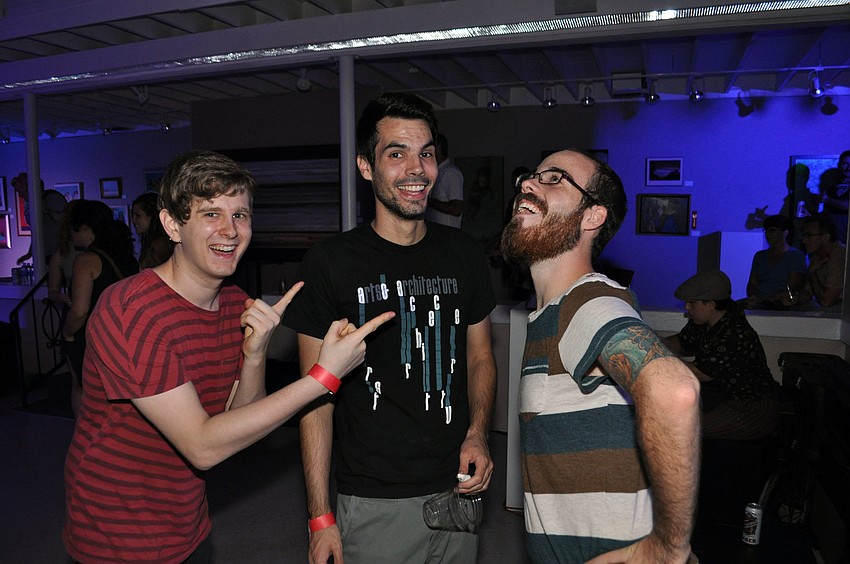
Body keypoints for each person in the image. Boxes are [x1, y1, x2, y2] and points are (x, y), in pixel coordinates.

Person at [63, 150, 394, 563]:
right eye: (211, 214)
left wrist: (254, 355)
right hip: (117, 537)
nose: (230, 230)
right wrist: (321, 377)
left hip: (190, 525)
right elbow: (202, 446)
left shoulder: (235, 303)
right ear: (171, 225)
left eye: (240, 215)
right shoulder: (131, 310)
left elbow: (237, 426)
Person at [283, 93, 497, 564]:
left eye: (426, 153)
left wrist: (479, 432)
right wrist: (320, 517)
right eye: (396, 153)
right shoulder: (329, 264)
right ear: (366, 167)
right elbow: (314, 400)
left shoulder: (465, 255)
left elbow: (480, 355)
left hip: (457, 489)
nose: (416, 168)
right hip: (373, 500)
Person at [500, 149, 700, 563]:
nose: (527, 184)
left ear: (592, 217)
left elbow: (674, 391)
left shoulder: (586, 301)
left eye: (555, 179)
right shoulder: (548, 314)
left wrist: (667, 547)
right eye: (531, 175)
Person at [665, 270, 780, 440]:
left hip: (749, 406)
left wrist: (659, 356)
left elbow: (702, 373)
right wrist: (650, 341)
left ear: (710, 305)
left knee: (678, 429)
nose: (687, 307)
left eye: (692, 303)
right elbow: (681, 342)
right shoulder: (702, 322)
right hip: (720, 398)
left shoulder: (734, 332)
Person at [61, 200, 139, 416]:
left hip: (90, 334)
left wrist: (67, 333)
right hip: (121, 332)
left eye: (73, 230)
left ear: (85, 229)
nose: (71, 235)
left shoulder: (86, 260)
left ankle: (86, 435)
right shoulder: (127, 257)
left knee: (82, 387)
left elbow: (79, 310)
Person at [742, 214, 807, 309]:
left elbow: (792, 287)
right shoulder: (760, 256)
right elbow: (752, 283)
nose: (768, 234)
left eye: (772, 230)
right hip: (758, 300)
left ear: (785, 232)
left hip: (779, 302)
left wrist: (763, 301)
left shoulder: (796, 256)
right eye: (766, 231)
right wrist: (753, 297)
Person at [784, 213, 846, 310]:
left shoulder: (840, 255)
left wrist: (812, 274)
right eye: (804, 236)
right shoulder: (816, 256)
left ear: (825, 237)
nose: (804, 241)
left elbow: (826, 301)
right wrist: (796, 298)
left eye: (809, 236)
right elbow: (808, 291)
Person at [12, 172, 68, 265]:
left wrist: (47, 212)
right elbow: (37, 232)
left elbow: (66, 219)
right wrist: (29, 254)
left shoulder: (51, 198)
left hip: (58, 252)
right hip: (44, 253)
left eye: (20, 191)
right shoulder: (32, 204)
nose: (20, 195)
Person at [47, 200, 82, 309]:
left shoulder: (99, 249)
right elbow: (52, 292)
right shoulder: (62, 253)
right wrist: (63, 297)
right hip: (75, 307)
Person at [425, 133, 464, 227]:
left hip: (447, 237)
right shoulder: (435, 172)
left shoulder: (451, 173)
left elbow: (456, 209)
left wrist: (428, 201)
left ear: (439, 148)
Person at [132, 191, 173, 268]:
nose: (133, 220)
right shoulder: (154, 243)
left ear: (153, 216)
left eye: (138, 215)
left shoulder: (160, 245)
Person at [822, 150, 850, 244]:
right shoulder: (831, 189)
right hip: (832, 243)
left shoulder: (827, 196)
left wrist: (827, 200)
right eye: (845, 164)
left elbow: (847, 206)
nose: (848, 168)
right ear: (839, 165)